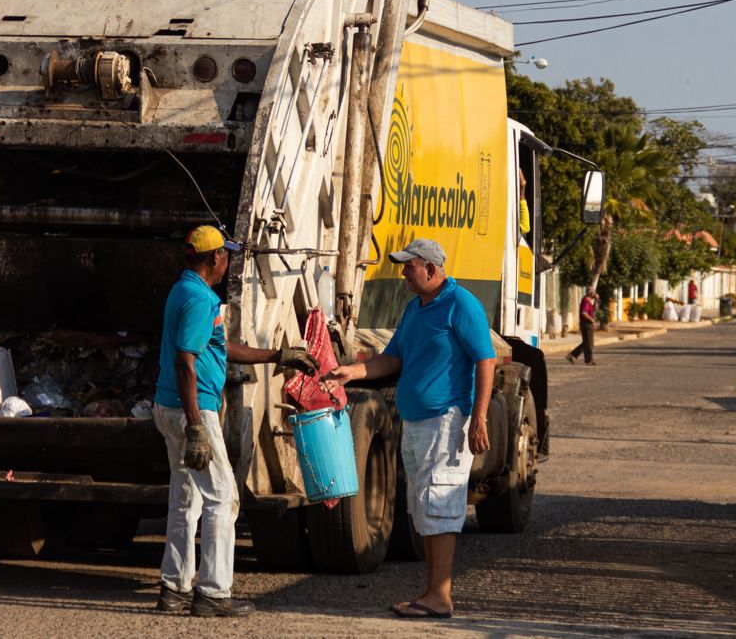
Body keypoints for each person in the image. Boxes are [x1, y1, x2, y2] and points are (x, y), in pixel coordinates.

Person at [322, 238, 495, 620]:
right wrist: (353, 372)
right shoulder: (416, 308)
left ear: (431, 269)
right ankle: (431, 593)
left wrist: (479, 417)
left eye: (408, 266)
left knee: (441, 505)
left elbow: (486, 360)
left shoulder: (460, 304)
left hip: (447, 421)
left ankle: (440, 596)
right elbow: (393, 358)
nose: (402, 273)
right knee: (424, 508)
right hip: (418, 423)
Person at [153, 225, 319, 618]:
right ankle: (213, 592)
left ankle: (173, 588)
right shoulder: (198, 300)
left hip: (170, 408)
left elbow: (223, 349)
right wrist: (196, 424)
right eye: (226, 254)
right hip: (192, 411)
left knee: (186, 499)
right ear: (215, 259)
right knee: (223, 497)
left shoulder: (185, 290)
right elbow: (185, 361)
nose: (228, 260)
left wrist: (278, 355)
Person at [567, 289, 598, 365]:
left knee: (586, 343)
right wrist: (592, 320)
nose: (595, 294)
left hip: (587, 324)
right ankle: (588, 360)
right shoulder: (586, 301)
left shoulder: (588, 301)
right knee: (589, 344)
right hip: (586, 324)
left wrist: (596, 300)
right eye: (594, 292)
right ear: (590, 293)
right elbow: (584, 313)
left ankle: (572, 355)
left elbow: (594, 309)